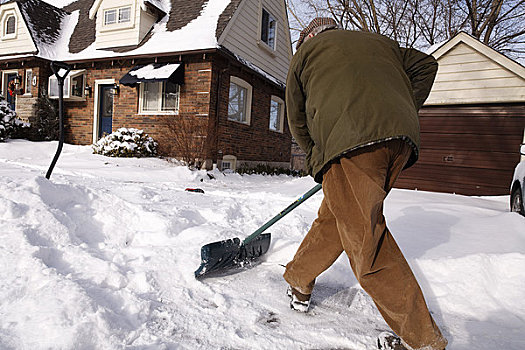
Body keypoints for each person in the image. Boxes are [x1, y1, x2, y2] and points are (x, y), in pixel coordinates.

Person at [283, 18, 448, 350]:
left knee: (365, 241)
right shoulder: (378, 42)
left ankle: (422, 341)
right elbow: (426, 65)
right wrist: (398, 107)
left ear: (309, 37)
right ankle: (299, 280)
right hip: (399, 140)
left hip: (352, 142)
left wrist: (317, 154)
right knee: (335, 219)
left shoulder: (306, 54)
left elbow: (296, 118)